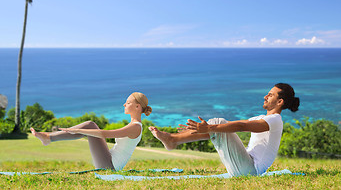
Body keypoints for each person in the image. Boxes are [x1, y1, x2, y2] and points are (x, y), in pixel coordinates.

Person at [149, 83, 299, 177]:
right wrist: (207, 128)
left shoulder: (275, 120)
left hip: (250, 171)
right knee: (219, 124)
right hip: (244, 167)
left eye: (270, 95)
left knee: (218, 123)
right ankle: (173, 139)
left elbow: (242, 127)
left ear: (280, 102)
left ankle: (173, 140)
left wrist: (209, 127)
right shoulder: (262, 118)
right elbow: (236, 123)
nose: (265, 96)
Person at [31, 92, 152, 171]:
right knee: (90, 126)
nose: (124, 104)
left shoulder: (135, 127)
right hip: (109, 160)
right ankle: (48, 138)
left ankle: (48, 138)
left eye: (128, 102)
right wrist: (80, 131)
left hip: (110, 166)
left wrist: (78, 130)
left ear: (137, 107)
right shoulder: (134, 125)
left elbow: (105, 134)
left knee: (90, 125)